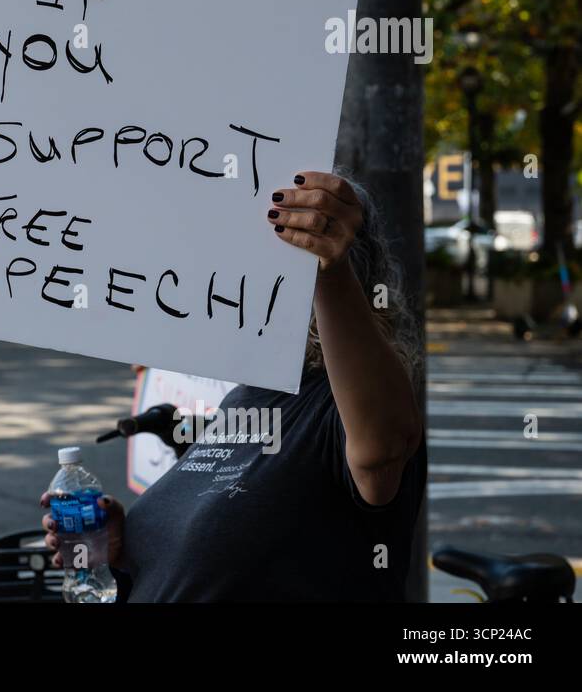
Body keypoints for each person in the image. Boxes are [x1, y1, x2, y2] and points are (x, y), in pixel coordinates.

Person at [41, 170, 426, 601]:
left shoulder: (340, 403)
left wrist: (328, 273)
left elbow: (383, 446)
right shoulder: (249, 396)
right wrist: (123, 551)